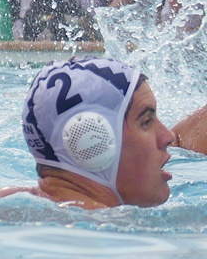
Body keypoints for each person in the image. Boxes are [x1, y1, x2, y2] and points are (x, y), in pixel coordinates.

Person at [20, 57, 174, 209]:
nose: (168, 137)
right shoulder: (111, 226)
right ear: (92, 141)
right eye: (146, 122)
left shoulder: (8, 202)